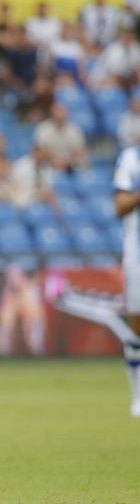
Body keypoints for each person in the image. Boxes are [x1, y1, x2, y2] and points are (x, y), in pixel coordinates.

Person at [114, 142, 140, 416]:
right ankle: (137, 396)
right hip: (138, 254)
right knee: (137, 325)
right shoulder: (132, 159)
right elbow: (119, 207)